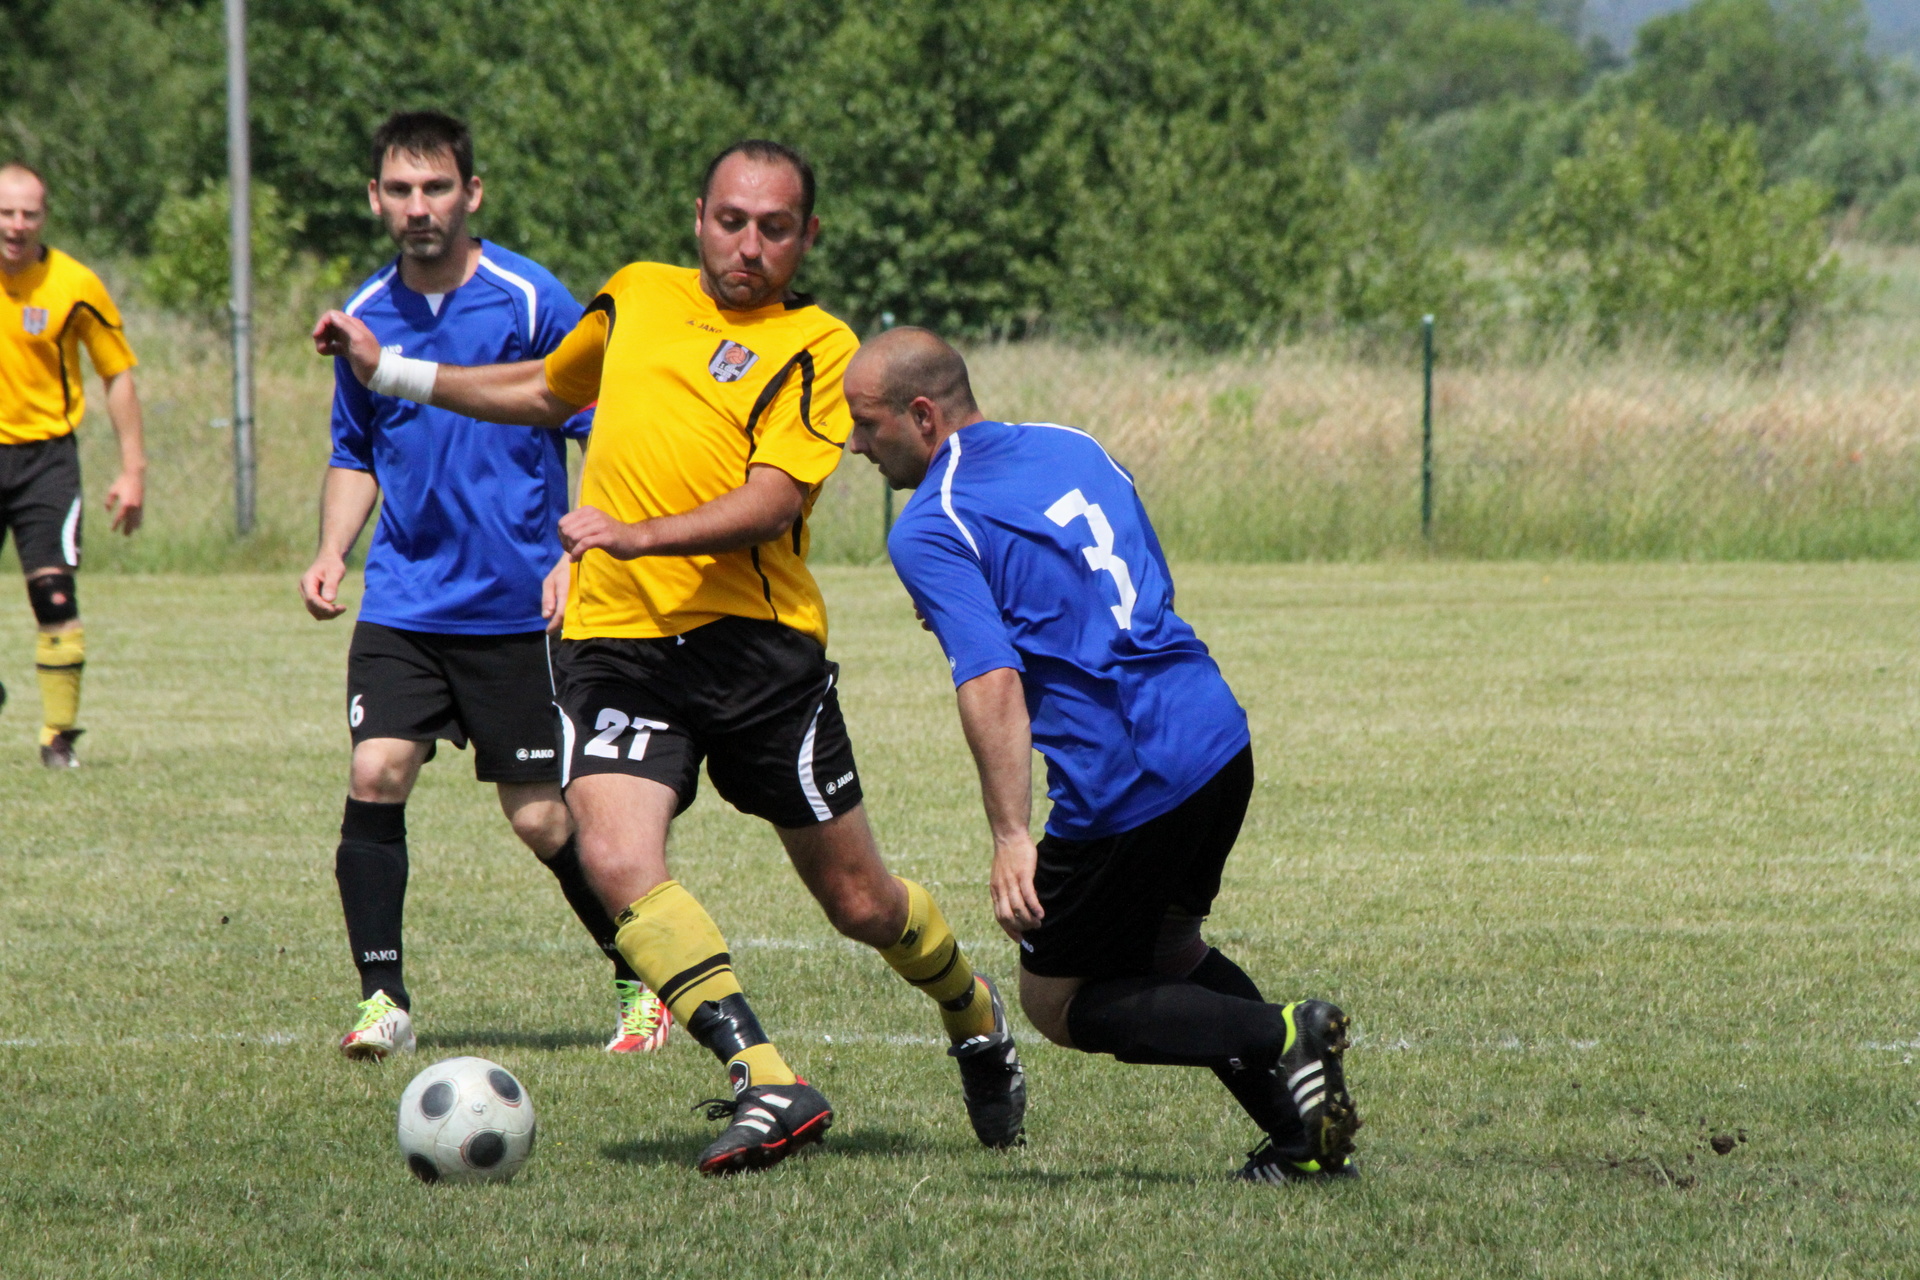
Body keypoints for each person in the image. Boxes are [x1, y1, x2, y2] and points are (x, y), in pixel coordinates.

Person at [312, 139, 1026, 1176]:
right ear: (698, 215)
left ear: (808, 236)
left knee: (861, 901)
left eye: (774, 228)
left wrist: (635, 532)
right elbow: (543, 392)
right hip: (618, 643)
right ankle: (765, 1075)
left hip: (758, 648)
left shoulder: (822, 344)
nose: (749, 245)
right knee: (612, 855)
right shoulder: (634, 296)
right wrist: (396, 371)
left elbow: (775, 498)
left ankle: (973, 1009)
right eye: (731, 220)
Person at [845, 327, 1363, 1183]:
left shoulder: (931, 521)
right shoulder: (1071, 444)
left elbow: (991, 680)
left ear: (923, 414)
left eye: (866, 424)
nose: (855, 444)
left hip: (1126, 778)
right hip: (1213, 732)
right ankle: (1301, 1142)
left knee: (1058, 1001)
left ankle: (1283, 1030)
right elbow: (1123, 572)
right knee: (1166, 951)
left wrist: (1012, 834)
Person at [299, 112, 668, 1062]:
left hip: (517, 608)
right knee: (376, 769)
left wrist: (574, 550)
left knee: (543, 817)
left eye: (435, 188)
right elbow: (356, 451)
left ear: (471, 193)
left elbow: (602, 428)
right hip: (406, 602)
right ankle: (384, 1000)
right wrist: (336, 547)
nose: (417, 207)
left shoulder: (529, 297)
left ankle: (644, 981)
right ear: (375, 198)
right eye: (399, 190)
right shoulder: (364, 311)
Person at [0, 160, 146, 768]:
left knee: (54, 595)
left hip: (46, 462)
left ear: (45, 216)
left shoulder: (75, 284)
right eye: (6, 212)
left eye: (29, 212)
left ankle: (57, 738)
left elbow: (116, 373)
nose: (16, 225)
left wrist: (132, 469)